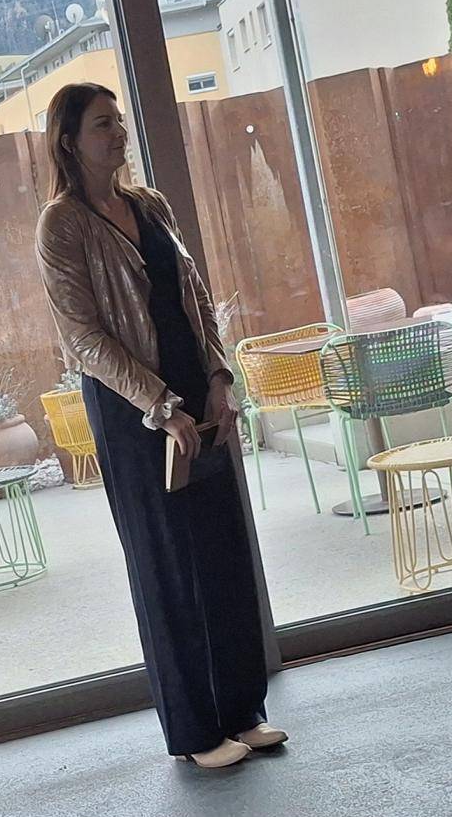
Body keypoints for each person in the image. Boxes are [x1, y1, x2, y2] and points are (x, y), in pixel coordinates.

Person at [35, 82, 285, 770]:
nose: (117, 133)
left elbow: (196, 297)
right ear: (68, 141)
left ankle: (242, 711)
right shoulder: (61, 224)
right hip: (134, 413)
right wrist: (159, 405)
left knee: (223, 551)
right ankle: (196, 732)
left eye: (118, 120)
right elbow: (82, 338)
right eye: (101, 124)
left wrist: (218, 378)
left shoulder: (151, 204)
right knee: (168, 567)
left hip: (196, 398)